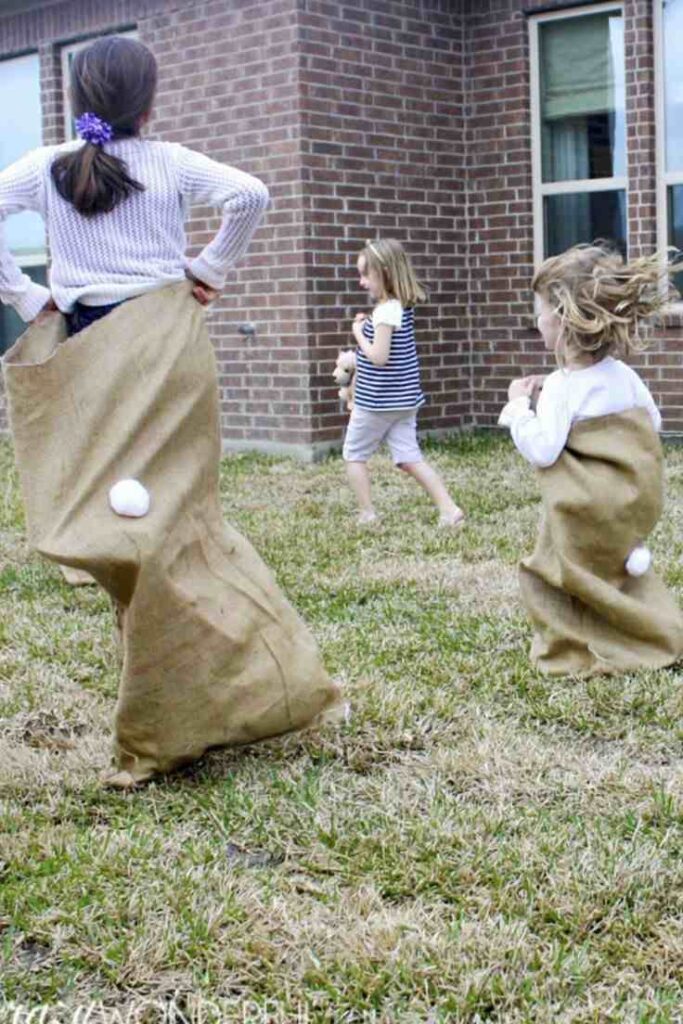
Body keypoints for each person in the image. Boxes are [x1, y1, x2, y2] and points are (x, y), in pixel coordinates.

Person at [0, 35, 342, 785]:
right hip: (164, 341)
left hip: (89, 349)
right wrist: (210, 267)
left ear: (78, 100)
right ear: (149, 105)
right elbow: (251, 194)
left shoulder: (49, 166)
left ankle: (180, 696)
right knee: (177, 519)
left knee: (125, 521)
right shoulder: (172, 162)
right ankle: (213, 686)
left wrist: (27, 295)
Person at [498, 243, 683, 676]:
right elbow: (649, 424)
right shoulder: (624, 375)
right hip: (629, 509)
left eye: (540, 310)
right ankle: (648, 631)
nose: (536, 321)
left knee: (555, 575)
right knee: (620, 578)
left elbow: (544, 451)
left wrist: (518, 409)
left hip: (583, 512)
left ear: (561, 320)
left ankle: (569, 646)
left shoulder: (564, 386)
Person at [343, 238, 464, 528]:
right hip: (404, 401)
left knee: (354, 455)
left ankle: (367, 514)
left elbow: (379, 357)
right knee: (409, 458)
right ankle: (449, 509)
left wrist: (358, 332)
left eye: (365, 275)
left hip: (378, 402)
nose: (361, 282)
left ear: (384, 273)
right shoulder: (397, 307)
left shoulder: (386, 312)